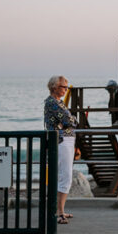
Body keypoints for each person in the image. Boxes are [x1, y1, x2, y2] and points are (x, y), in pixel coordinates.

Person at [44, 75, 79, 224]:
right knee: (65, 176)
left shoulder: (58, 102)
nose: (66, 89)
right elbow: (69, 120)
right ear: (54, 88)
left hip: (66, 140)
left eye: (66, 87)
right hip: (61, 140)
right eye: (63, 87)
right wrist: (73, 119)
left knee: (64, 176)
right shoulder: (52, 102)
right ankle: (59, 213)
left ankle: (60, 210)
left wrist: (71, 120)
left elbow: (68, 120)